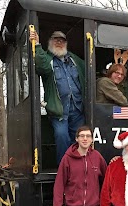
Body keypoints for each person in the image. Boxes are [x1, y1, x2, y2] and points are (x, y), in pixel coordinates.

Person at [29, 30, 85, 164]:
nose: (59, 43)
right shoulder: (48, 60)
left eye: (62, 40)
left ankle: (78, 166)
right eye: (56, 40)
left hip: (77, 108)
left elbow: (90, 67)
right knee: (61, 136)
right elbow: (41, 65)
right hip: (58, 110)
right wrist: (36, 44)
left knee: (80, 138)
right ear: (50, 43)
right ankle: (63, 167)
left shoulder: (74, 60)